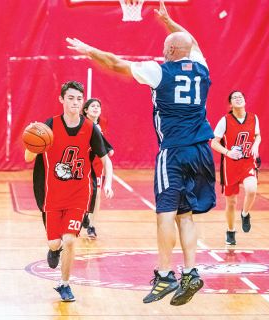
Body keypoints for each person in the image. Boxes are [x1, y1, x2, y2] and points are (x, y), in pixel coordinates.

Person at [66, 0, 215, 306]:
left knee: (165, 213)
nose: (163, 51)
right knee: (186, 216)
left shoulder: (159, 72)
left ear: (171, 52)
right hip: (202, 151)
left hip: (174, 151)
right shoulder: (201, 66)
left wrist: (90, 51)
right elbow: (193, 42)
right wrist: (170, 22)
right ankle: (191, 271)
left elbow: (116, 63)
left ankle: (164, 275)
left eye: (165, 47)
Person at [24, 81, 114, 302]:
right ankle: (54, 250)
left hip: (78, 194)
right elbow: (28, 158)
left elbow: (106, 159)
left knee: (71, 240)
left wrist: (108, 182)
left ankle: (64, 284)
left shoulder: (90, 128)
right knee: (56, 242)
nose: (75, 102)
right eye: (71, 98)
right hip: (52, 195)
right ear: (61, 99)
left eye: (78, 99)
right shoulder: (49, 126)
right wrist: (32, 141)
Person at [211, 91, 261, 245]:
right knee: (231, 202)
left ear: (245, 101)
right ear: (230, 104)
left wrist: (256, 146)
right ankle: (231, 230)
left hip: (247, 162)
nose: (238, 99)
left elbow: (257, 135)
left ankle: (245, 214)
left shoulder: (254, 118)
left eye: (241, 97)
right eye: (234, 97)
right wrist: (228, 152)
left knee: (252, 189)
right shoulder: (225, 120)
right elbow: (214, 142)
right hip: (230, 166)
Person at [81, 98, 114, 239]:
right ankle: (83, 215)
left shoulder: (103, 122)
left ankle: (92, 226)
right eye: (92, 106)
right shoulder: (80, 123)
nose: (96, 108)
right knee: (82, 194)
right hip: (82, 163)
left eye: (98, 106)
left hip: (96, 164)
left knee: (97, 195)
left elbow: (101, 143)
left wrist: (108, 149)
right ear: (86, 110)